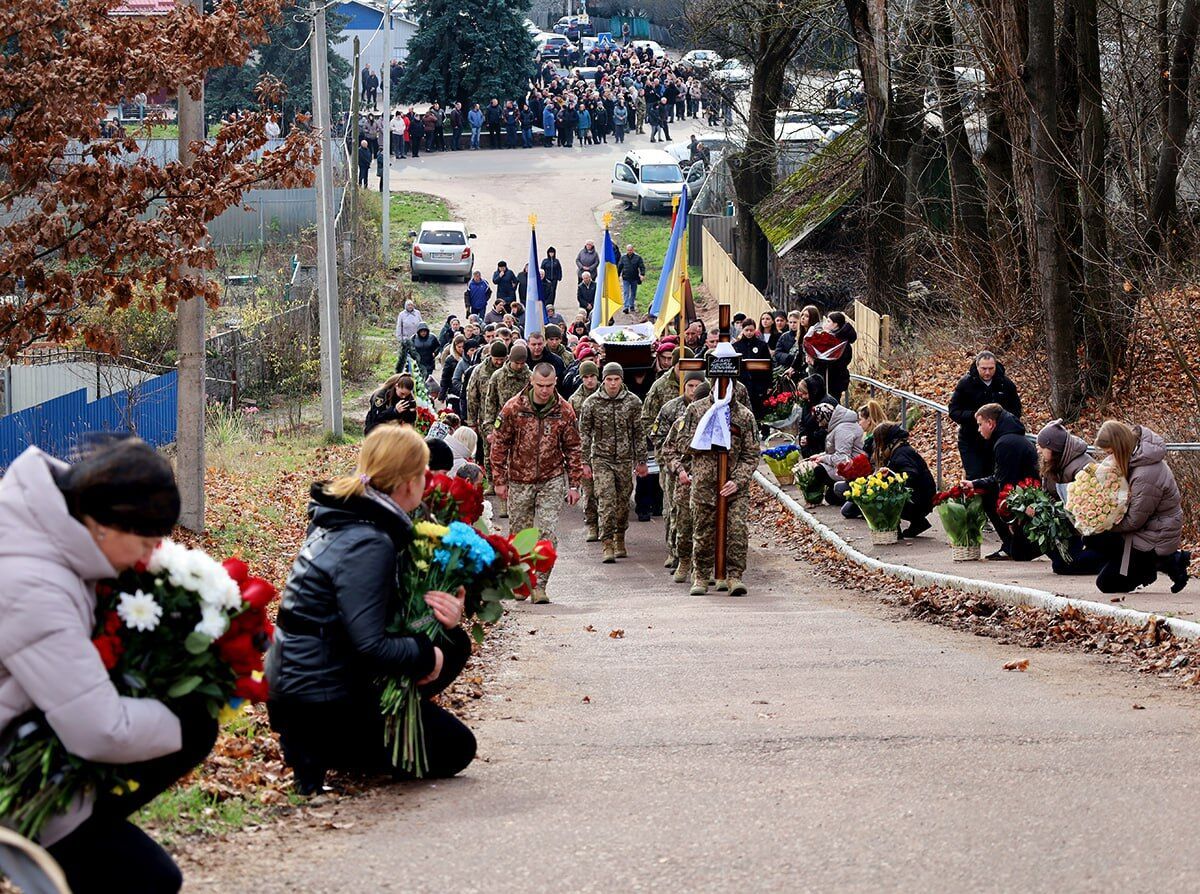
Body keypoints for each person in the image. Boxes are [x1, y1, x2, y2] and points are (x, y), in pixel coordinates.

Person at [0, 439, 216, 894]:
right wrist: (186, 722)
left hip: (32, 734)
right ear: (104, 523)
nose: (147, 557)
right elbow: (100, 729)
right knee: (147, 878)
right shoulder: (32, 583)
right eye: (144, 542)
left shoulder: (53, 523)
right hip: (12, 776)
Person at [266, 426, 476, 795]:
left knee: (454, 641)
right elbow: (371, 646)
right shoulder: (369, 541)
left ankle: (347, 744)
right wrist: (428, 656)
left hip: (301, 693)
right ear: (409, 483)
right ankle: (332, 751)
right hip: (320, 707)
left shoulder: (343, 519)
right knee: (457, 748)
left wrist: (442, 617)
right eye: (424, 475)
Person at [491, 363, 585, 603]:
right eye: (541, 385)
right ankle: (521, 582)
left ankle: (540, 585)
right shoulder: (514, 408)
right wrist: (499, 480)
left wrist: (574, 484)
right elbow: (499, 444)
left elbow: (573, 447)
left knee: (547, 534)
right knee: (520, 535)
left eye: (550, 385)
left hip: (551, 479)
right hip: (519, 479)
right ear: (532, 382)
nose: (545, 391)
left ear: (555, 383)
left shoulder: (564, 410)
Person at [677, 378, 760, 596]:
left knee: (737, 529)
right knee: (703, 532)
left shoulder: (744, 416)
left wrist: (738, 480)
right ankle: (702, 576)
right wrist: (707, 437)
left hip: (734, 487)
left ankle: (734, 576)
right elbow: (682, 444)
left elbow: (751, 454)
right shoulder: (696, 410)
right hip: (705, 484)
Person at [1092, 421, 1189, 594]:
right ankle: (1141, 563)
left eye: (1111, 453)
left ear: (1120, 448)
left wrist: (1105, 524)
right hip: (1143, 529)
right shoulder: (1134, 459)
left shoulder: (1146, 474)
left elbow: (1135, 521)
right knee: (1092, 537)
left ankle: (1157, 564)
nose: (1109, 458)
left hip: (1154, 535)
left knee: (1107, 584)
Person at [579, 362, 648, 563]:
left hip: (625, 460)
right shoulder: (591, 403)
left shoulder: (633, 402)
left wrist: (641, 460)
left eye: (616, 379)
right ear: (603, 379)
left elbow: (638, 433)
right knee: (606, 500)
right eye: (609, 379)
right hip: (601, 459)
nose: (612, 383)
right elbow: (584, 434)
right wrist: (584, 462)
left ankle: (620, 538)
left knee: (623, 502)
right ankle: (607, 542)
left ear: (621, 380)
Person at [966, 403, 1039, 561]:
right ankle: (1013, 544)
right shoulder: (1011, 438)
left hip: (1024, 497)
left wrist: (1009, 517)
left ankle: (1011, 543)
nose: (979, 429)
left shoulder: (1005, 443)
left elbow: (1004, 483)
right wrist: (975, 483)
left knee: (987, 497)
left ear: (991, 423)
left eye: (980, 425)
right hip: (1026, 492)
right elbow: (1002, 477)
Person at [653, 370, 704, 578]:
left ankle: (701, 564)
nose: (693, 391)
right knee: (676, 513)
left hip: (704, 478)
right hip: (677, 473)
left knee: (703, 521)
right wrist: (673, 466)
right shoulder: (673, 411)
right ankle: (677, 555)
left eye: (696, 386)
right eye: (689, 386)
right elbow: (662, 440)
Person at [948, 351, 1023, 480]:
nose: (987, 373)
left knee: (994, 477)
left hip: (996, 439)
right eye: (983, 369)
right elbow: (954, 411)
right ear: (977, 367)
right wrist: (976, 417)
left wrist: (1000, 421)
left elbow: (1016, 410)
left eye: (991, 369)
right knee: (975, 477)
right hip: (971, 439)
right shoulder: (966, 384)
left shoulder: (1005, 384)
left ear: (995, 366)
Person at [871, 423, 934, 538]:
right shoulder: (901, 450)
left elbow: (910, 475)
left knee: (883, 495)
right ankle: (918, 522)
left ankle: (895, 527)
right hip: (924, 496)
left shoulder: (901, 453)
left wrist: (890, 479)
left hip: (920, 498)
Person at [806, 402, 866, 505]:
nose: (820, 425)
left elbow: (842, 459)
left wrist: (823, 459)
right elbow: (836, 451)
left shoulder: (842, 429)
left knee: (819, 470)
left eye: (821, 422)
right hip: (851, 464)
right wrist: (820, 455)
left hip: (855, 469)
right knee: (831, 497)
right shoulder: (840, 425)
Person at [569, 360, 602, 541]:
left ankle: (607, 527)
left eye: (592, 376)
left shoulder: (606, 394)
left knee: (605, 492)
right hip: (585, 451)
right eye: (586, 377)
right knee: (589, 492)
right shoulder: (575, 400)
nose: (589, 380)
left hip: (605, 450)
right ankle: (591, 524)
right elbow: (571, 429)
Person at [809, 311, 857, 404]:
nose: (825, 324)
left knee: (831, 404)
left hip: (834, 380)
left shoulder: (842, 343)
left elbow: (838, 362)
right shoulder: (828, 338)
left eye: (828, 321)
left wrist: (816, 362)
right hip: (824, 378)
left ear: (835, 324)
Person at [617, 243, 645, 314]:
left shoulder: (638, 258)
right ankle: (626, 307)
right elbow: (620, 266)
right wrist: (617, 275)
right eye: (628, 250)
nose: (629, 251)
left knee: (633, 292)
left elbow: (642, 266)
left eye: (630, 250)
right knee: (626, 292)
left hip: (634, 278)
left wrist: (642, 274)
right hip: (626, 278)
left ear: (633, 250)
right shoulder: (623, 258)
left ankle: (631, 305)